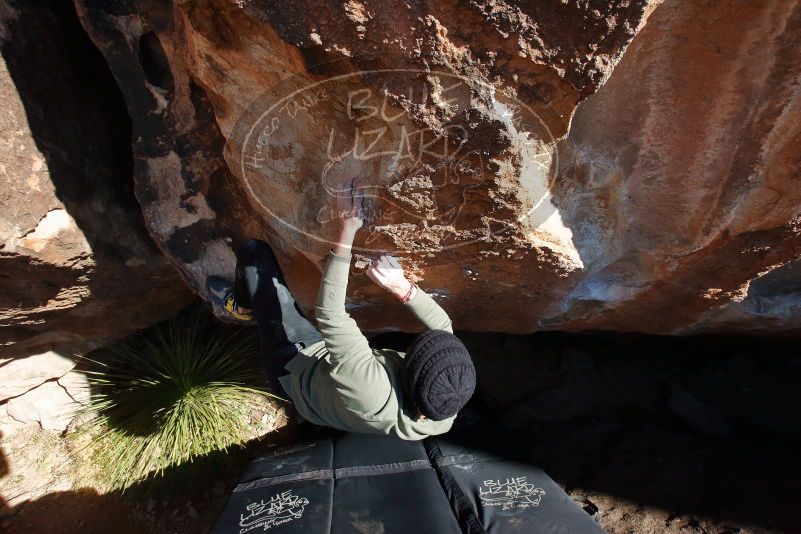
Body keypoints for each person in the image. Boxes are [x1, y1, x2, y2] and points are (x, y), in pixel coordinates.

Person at [207, 180, 476, 440]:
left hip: (296, 366)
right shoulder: (443, 406)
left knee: (255, 254)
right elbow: (443, 329)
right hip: (333, 389)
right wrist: (403, 288)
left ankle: (242, 307)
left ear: (409, 373)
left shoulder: (370, 391)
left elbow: (331, 314)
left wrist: (348, 227)